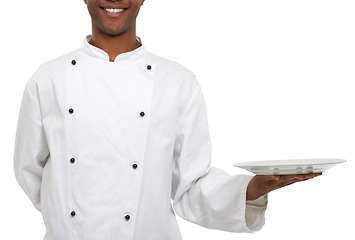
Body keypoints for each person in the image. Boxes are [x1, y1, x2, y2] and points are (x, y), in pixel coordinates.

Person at [13, 1, 321, 239]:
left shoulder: (177, 82)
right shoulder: (49, 79)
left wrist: (251, 190)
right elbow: (30, 174)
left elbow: (191, 185)